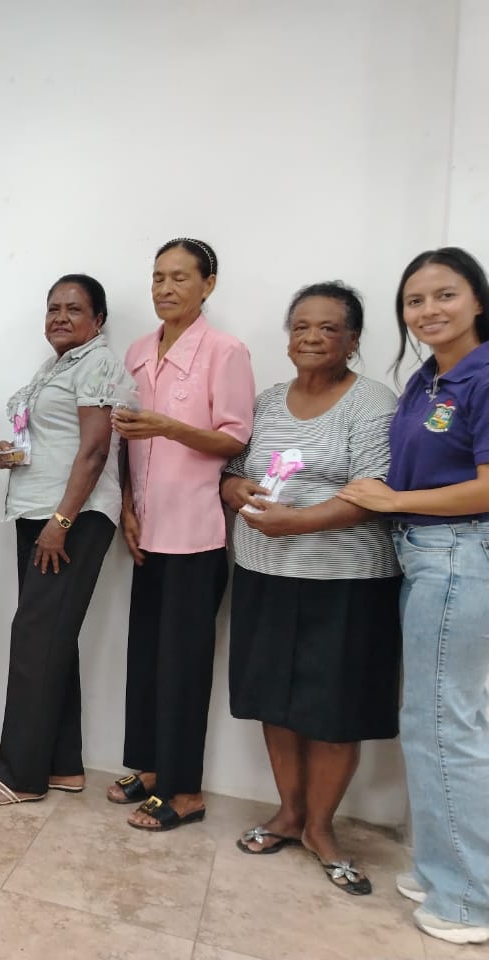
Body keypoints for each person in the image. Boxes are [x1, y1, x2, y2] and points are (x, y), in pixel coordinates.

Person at [221, 282, 399, 896]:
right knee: (274, 700)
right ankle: (288, 814)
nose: (312, 338)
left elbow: (374, 492)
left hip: (345, 582)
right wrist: (235, 490)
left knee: (334, 713)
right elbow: (233, 470)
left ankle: (322, 828)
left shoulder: (372, 401)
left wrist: (296, 522)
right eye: (301, 326)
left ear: (353, 339)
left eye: (328, 328)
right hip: (264, 575)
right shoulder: (268, 401)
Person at [339, 247, 489, 945]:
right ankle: (441, 870)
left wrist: (394, 500)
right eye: (414, 300)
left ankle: (469, 899)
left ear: (478, 299)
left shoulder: (482, 376)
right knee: (430, 719)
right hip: (424, 555)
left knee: (444, 724)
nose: (428, 310)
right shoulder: (428, 378)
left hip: (459, 555)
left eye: (445, 295)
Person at [0, 275, 133, 805]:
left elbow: (95, 450)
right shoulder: (54, 367)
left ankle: (20, 777)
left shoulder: (98, 363)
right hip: (40, 514)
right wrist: (12, 452)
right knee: (52, 638)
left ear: (98, 320)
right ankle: (62, 766)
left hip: (71, 519)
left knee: (34, 638)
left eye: (74, 309)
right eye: (53, 308)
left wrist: (61, 521)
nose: (60, 317)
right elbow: (52, 439)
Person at [109, 237, 255, 830]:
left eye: (179, 277)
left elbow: (234, 437)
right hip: (146, 527)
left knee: (184, 664)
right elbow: (125, 438)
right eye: (157, 277)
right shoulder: (138, 351)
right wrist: (126, 506)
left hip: (195, 533)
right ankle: (150, 769)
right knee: (145, 656)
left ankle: (185, 790)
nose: (165, 288)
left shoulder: (225, 351)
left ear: (208, 284)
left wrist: (168, 427)